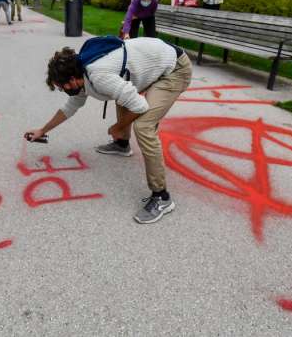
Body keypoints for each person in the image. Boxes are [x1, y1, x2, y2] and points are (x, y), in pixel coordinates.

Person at [25, 37, 193, 224]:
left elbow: (140, 106)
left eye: (61, 86)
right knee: (121, 93)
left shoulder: (98, 76)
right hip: (156, 61)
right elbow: (70, 107)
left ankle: (162, 197)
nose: (62, 90)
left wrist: (118, 127)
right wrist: (43, 130)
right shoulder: (81, 73)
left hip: (175, 69)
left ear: (72, 79)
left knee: (144, 127)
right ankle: (122, 144)